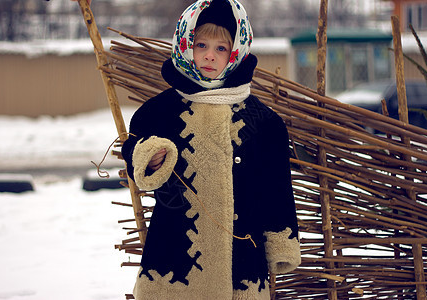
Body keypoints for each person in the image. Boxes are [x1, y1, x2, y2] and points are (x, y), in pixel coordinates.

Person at [84, 0, 300, 298]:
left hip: (242, 264)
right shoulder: (160, 112)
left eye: (221, 48)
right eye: (201, 45)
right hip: (173, 259)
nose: (209, 56)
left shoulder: (264, 122)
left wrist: (280, 242)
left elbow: (276, 188)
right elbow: (135, 149)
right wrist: (148, 158)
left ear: (236, 51)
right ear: (186, 45)